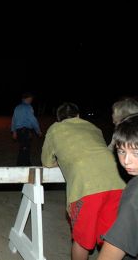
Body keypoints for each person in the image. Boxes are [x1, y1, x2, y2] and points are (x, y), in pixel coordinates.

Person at [41, 102, 126, 260]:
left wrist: (63, 162)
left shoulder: (55, 129)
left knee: (82, 241)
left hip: (86, 186)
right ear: (78, 116)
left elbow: (46, 161)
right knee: (112, 239)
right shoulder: (94, 127)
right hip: (118, 181)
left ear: (59, 119)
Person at [98, 113, 138, 260]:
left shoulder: (135, 191)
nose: (127, 161)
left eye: (136, 152)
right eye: (122, 151)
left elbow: (115, 249)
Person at [11, 92, 42, 166]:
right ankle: (20, 165)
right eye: (30, 99)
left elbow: (13, 120)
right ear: (26, 99)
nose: (31, 100)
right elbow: (33, 120)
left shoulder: (17, 107)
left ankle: (27, 164)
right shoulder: (28, 107)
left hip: (19, 131)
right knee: (24, 149)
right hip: (25, 131)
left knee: (25, 148)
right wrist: (38, 130)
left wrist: (14, 131)